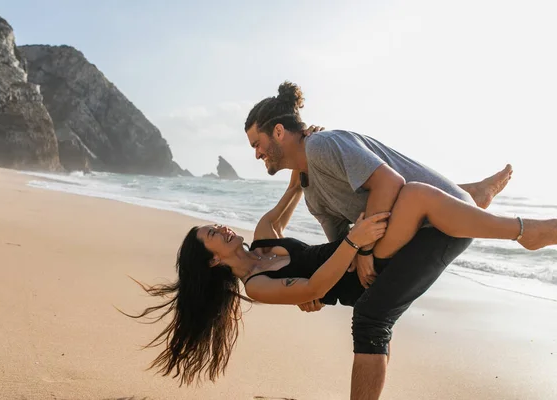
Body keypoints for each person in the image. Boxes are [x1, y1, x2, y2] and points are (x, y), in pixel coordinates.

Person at [240, 81, 555, 400]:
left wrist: (362, 248)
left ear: (278, 131)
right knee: (372, 313)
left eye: (257, 143)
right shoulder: (312, 194)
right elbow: (338, 246)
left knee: (411, 205)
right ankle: (474, 197)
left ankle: (514, 224)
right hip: (415, 231)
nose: (257, 154)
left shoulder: (322, 145)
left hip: (435, 224)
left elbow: (390, 182)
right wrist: (317, 285)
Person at [124, 169, 557, 395]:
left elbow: (283, 206)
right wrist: (353, 242)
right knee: (417, 201)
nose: (220, 228)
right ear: (215, 263)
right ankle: (516, 225)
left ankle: (475, 199)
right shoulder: (256, 284)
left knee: (414, 199)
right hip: (360, 271)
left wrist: (300, 175)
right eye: (212, 236)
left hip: (362, 250)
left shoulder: (262, 241)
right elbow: (313, 289)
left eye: (214, 225)